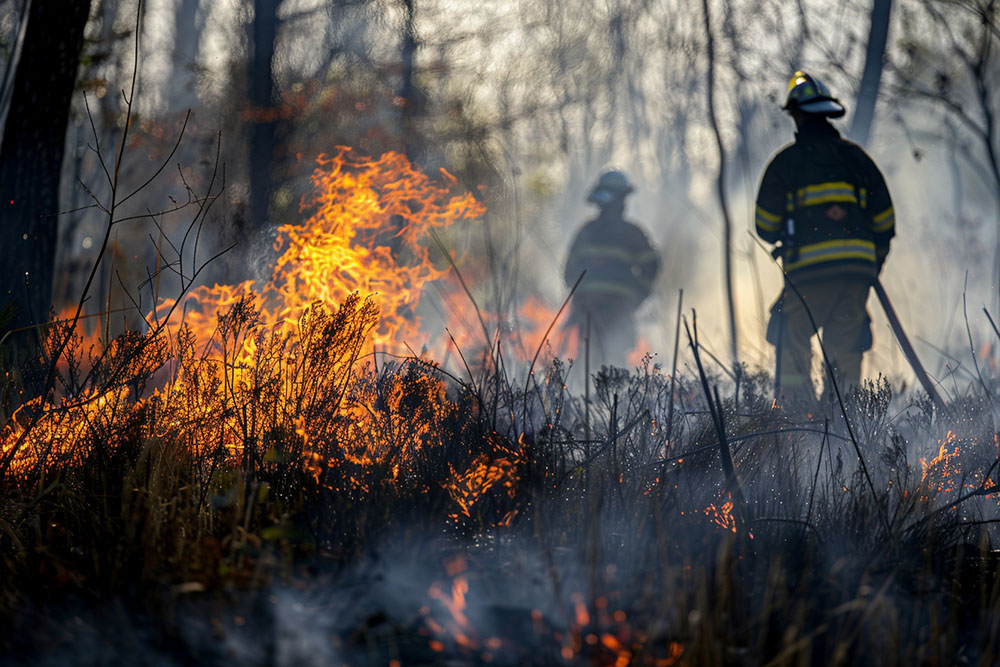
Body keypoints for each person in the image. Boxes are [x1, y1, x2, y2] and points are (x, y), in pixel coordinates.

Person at [755, 71, 895, 401]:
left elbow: (764, 224)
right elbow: (885, 222)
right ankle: (845, 428)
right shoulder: (858, 160)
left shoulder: (786, 163)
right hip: (856, 275)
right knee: (845, 349)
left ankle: (797, 421)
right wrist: (869, 266)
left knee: (791, 335)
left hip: (808, 273)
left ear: (799, 115)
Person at [564, 170, 660, 368]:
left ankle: (583, 395)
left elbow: (569, 273)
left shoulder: (586, 231)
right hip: (618, 306)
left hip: (590, 308)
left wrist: (581, 296)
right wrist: (638, 293)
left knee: (589, 357)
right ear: (619, 200)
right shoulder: (632, 233)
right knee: (615, 360)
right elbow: (652, 266)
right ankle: (615, 397)